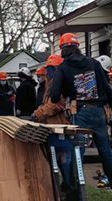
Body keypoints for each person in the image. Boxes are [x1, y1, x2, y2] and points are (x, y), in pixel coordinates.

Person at [50, 33, 112, 200]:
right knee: (106, 151)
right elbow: (106, 87)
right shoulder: (93, 63)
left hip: (81, 113)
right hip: (98, 113)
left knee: (76, 154)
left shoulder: (63, 68)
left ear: (63, 49)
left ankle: (74, 193)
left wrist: (65, 95)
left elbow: (54, 95)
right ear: (77, 46)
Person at [33, 54, 74, 195]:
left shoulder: (62, 84)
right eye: (48, 69)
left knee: (64, 160)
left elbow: (56, 105)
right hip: (50, 128)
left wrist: (38, 113)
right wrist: (38, 112)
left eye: (50, 69)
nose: (47, 72)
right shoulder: (49, 84)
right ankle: (56, 188)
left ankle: (68, 187)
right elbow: (46, 104)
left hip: (60, 127)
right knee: (53, 160)